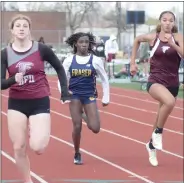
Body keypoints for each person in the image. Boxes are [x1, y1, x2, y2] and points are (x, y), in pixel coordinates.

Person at [1, 14, 70, 183]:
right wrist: (12, 80)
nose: (22, 28)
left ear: (29, 29)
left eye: (25, 26)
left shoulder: (41, 49)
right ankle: (28, 181)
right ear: (12, 30)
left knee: (37, 147)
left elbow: (60, 68)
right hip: (16, 103)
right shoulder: (5, 54)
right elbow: (1, 83)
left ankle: (38, 129)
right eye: (18, 26)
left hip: (39, 101)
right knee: (18, 147)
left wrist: (65, 92)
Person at [130, 11, 183, 167]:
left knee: (161, 113)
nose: (168, 23)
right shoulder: (153, 37)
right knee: (170, 102)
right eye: (165, 20)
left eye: (171, 20)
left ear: (174, 23)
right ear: (160, 22)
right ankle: (158, 133)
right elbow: (137, 40)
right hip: (155, 81)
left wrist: (173, 44)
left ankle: (151, 146)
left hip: (172, 83)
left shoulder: (178, 37)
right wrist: (133, 62)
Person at [58, 32, 110, 165]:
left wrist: (106, 97)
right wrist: (64, 93)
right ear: (76, 43)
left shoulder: (96, 60)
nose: (84, 45)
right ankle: (77, 153)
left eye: (86, 42)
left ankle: (81, 114)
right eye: (81, 42)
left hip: (89, 96)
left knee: (95, 128)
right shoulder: (69, 60)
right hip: (74, 95)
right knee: (77, 126)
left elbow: (104, 79)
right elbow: (63, 79)